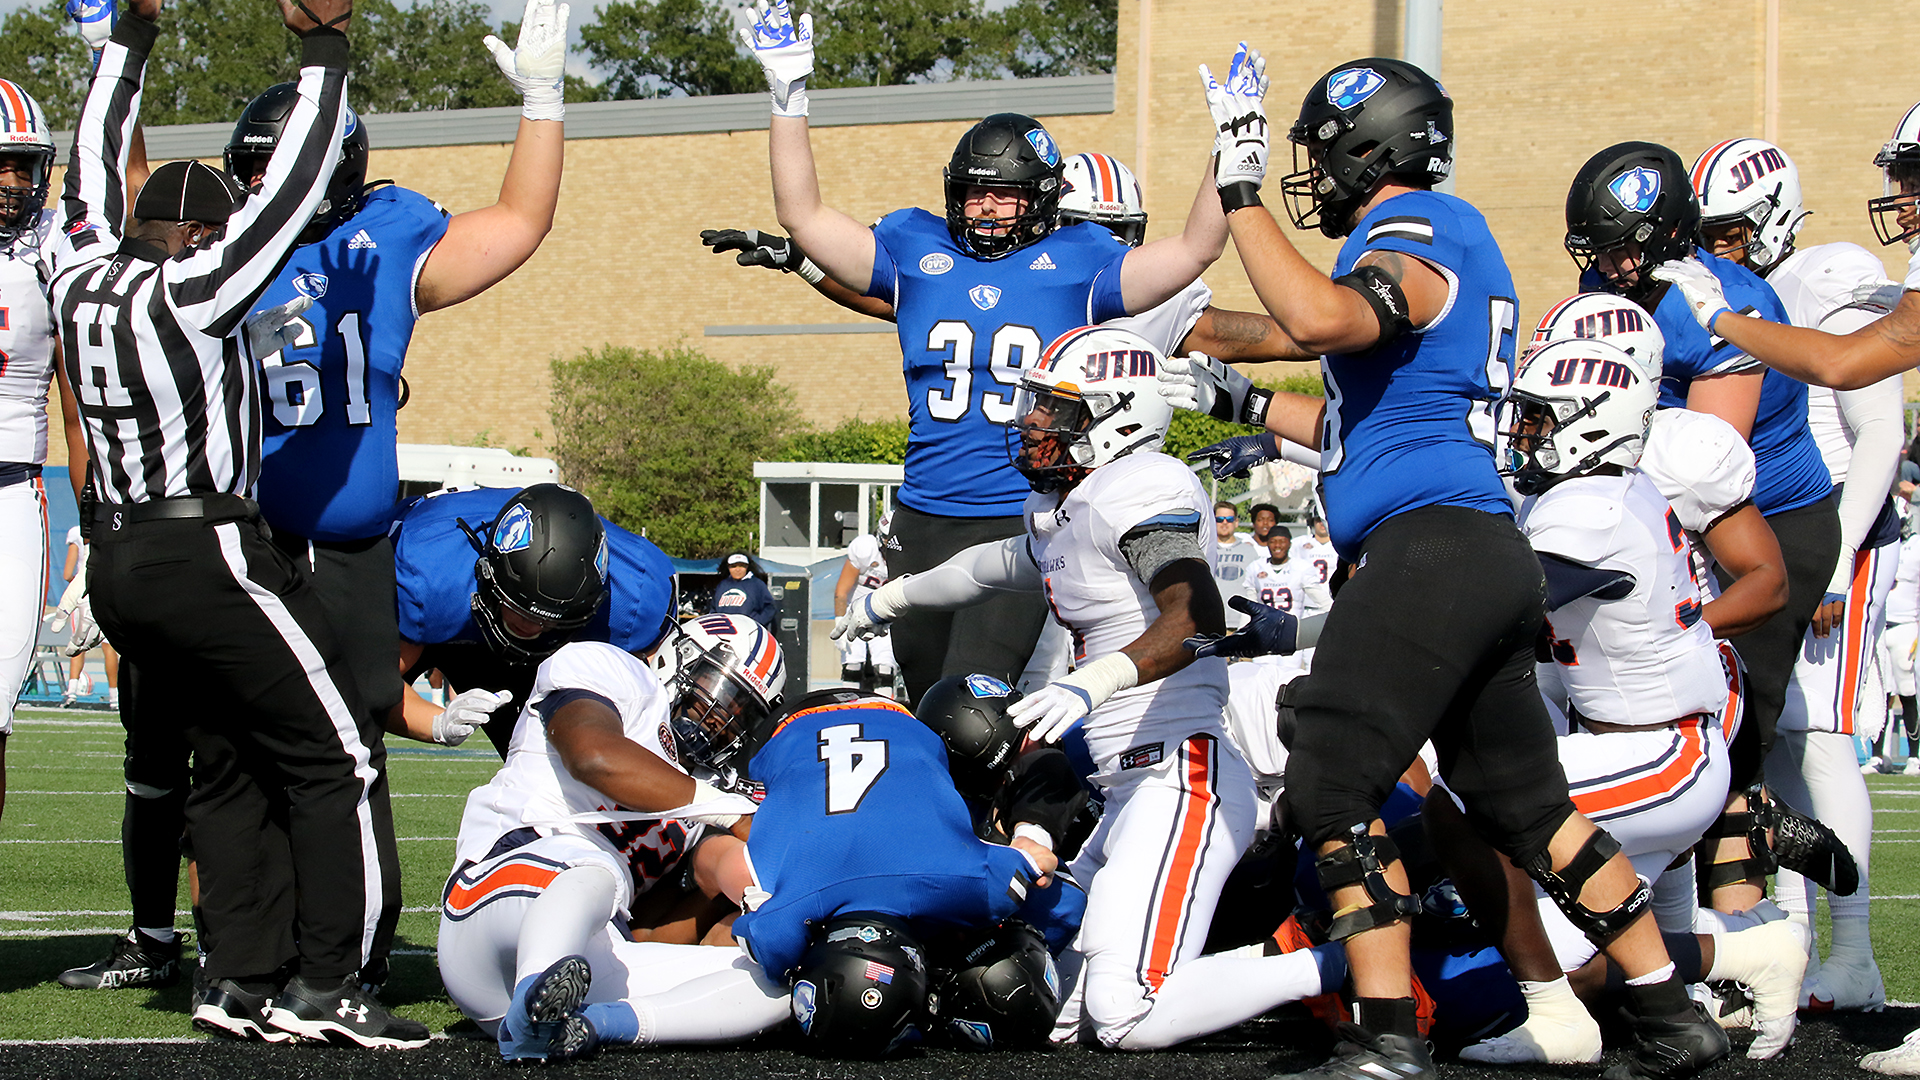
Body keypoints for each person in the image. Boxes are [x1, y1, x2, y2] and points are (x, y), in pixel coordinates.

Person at [1166, 54, 1726, 1080]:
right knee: (1527, 809)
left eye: (1324, 152)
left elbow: (1322, 319)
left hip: (1431, 549)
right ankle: (1670, 1014)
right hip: (1467, 550)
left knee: (1330, 781)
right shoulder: (1418, 252)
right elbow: (1309, 346)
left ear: (1370, 147)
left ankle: (1388, 1037)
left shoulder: (1424, 223)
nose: (1313, 174)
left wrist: (1243, 194)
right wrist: (1178, 332)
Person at [50, 0, 428, 1047]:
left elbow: (89, 165)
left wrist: (127, 42)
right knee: (340, 753)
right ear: (194, 237)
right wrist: (325, 54)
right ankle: (332, 984)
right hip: (204, 548)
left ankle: (234, 978)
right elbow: (295, 188)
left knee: (222, 761)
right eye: (214, 229)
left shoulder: (76, 276)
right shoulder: (191, 291)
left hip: (119, 558)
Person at [839, 324, 1350, 1051]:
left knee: (1122, 1013)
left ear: (1121, 417)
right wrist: (891, 598)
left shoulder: (1138, 488)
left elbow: (1195, 613)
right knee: (1055, 1007)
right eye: (1036, 404)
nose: (1033, 423)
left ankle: (1342, 960)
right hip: (1127, 788)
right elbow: (988, 567)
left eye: (1056, 408)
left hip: (1182, 775)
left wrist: (1092, 683)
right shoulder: (1069, 506)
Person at [736, 0, 1230, 704]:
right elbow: (802, 215)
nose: (985, 207)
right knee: (927, 702)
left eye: (1003, 195)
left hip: (1018, 514)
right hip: (920, 515)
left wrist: (1229, 155)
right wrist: (789, 96)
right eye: (973, 194)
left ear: (1041, 198)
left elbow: (1196, 249)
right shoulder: (915, 246)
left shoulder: (1080, 259)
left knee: (971, 710)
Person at [1692, 137, 1902, 1013]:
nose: (1721, 246)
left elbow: (1880, 429)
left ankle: (1851, 954)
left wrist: (1833, 560)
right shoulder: (1725, 286)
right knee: (1766, 744)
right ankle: (1783, 944)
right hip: (1771, 537)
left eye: (1732, 229)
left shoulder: (1826, 273)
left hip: (1831, 533)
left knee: (1817, 738)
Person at [437, 614, 790, 1063]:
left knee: (778, 983)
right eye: (717, 689)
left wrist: (735, 908)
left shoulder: (704, 792)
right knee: (594, 867)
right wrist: (730, 811)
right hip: (492, 905)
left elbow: (643, 934)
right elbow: (593, 756)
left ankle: (594, 1026)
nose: (721, 715)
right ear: (678, 657)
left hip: (581, 959)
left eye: (741, 711)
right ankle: (535, 993)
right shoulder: (613, 671)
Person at [392, 484, 677, 755]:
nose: (531, 627)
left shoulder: (636, 594)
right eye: (520, 609)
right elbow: (375, 687)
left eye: (549, 620)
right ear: (488, 573)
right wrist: (437, 725)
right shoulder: (427, 575)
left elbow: (657, 708)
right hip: (451, 602)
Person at [0, 73, 87, 811]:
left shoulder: (51, 244)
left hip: (12, 493)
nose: (13, 183)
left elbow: (77, 402)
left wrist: (95, 526)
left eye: (23, 166)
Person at [57, 525, 118, 708]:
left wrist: (81, 585)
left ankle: (72, 692)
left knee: (78, 644)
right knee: (109, 648)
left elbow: (67, 573)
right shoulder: (114, 526)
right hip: (108, 593)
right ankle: (114, 696)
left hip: (84, 595)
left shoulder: (77, 531)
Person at [832, 523, 895, 695]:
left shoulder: (905, 555)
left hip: (884, 615)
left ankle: (884, 707)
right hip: (855, 612)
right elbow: (841, 591)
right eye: (888, 538)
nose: (891, 542)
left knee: (885, 669)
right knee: (852, 666)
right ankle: (849, 706)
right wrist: (839, 621)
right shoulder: (866, 549)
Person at [1210, 500, 1261, 628]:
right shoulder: (1206, 550)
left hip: (1242, 621)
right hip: (1212, 619)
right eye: (1219, 519)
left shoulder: (1249, 551)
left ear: (1236, 522)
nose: (1224, 523)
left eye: (1229, 519)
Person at [712, 552, 777, 630]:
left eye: (741, 566)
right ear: (728, 567)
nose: (738, 569)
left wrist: (756, 623)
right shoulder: (722, 585)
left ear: (747, 567)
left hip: (748, 632)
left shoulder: (757, 584)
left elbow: (770, 608)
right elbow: (713, 609)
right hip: (724, 631)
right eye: (733, 566)